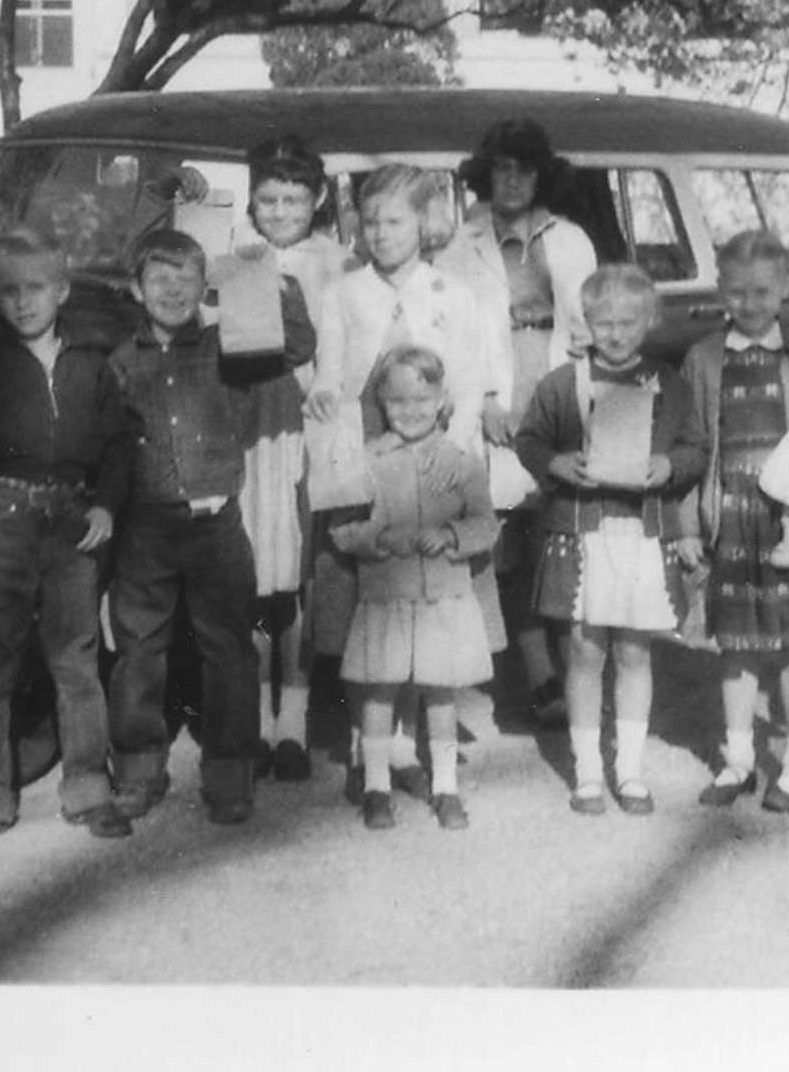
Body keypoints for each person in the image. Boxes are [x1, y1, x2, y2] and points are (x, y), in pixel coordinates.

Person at [307, 163, 504, 800]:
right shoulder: (345, 292)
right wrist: (324, 399)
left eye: (396, 220)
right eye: (371, 222)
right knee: (373, 599)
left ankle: (413, 735)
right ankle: (377, 738)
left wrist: (454, 455)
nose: (382, 233)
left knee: (425, 600)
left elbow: (469, 385)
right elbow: (332, 375)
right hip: (368, 450)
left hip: (433, 456)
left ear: (425, 223)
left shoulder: (452, 294)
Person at [106, 228, 314, 826]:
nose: (172, 291)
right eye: (158, 280)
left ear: (205, 286)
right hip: (146, 530)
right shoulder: (122, 362)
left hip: (217, 524)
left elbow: (297, 345)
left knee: (229, 648)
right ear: (136, 289)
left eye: (186, 279)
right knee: (140, 649)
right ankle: (140, 767)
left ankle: (230, 772)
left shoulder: (233, 346)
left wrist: (272, 285)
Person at [0, 227, 133, 850]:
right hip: (0, 514)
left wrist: (104, 505)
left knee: (75, 657)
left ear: (63, 290)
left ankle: (87, 788)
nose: (24, 302)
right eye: (9, 291)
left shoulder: (90, 363)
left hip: (71, 520)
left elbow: (120, 443)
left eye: (37, 288)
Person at [515, 265, 700, 814]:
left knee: (635, 649)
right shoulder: (562, 384)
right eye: (603, 323)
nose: (615, 334)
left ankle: (632, 769)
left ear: (650, 321)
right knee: (583, 648)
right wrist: (556, 462)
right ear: (585, 322)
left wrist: (668, 466)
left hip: (641, 534)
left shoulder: (669, 383)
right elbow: (529, 440)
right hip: (583, 531)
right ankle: (589, 770)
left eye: (627, 323)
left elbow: (696, 449)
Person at [674, 232, 789, 813]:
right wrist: (689, 525)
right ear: (720, 289)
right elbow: (691, 448)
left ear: (786, 288)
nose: (749, 303)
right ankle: (739, 758)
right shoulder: (703, 358)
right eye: (737, 292)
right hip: (732, 517)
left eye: (762, 292)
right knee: (736, 644)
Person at [445, 119, 599, 730]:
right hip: (498, 392)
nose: (512, 181)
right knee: (513, 543)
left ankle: (577, 669)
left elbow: (588, 323)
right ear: (487, 176)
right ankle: (539, 676)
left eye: (524, 169)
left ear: (540, 176)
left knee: (562, 532)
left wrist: (584, 398)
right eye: (502, 169)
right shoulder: (464, 245)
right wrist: (484, 399)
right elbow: (457, 334)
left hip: (559, 385)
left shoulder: (570, 240)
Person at [329, 346, 501, 831]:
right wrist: (376, 539)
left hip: (442, 599)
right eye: (397, 401)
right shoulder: (366, 461)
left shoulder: (461, 462)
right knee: (380, 694)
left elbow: (487, 526)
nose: (411, 411)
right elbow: (341, 528)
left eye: (423, 400)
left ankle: (446, 787)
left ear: (443, 400)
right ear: (381, 403)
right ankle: (377, 786)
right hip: (385, 598)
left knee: (440, 696)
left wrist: (451, 537)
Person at [222, 134, 349, 783]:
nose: (277, 212)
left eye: (292, 199)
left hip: (302, 425)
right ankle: (253, 716)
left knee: (295, 570)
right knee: (252, 571)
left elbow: (340, 342)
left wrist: (325, 383)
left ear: (318, 198)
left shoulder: (335, 262)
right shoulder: (234, 251)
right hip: (248, 427)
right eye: (267, 199)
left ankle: (292, 721)